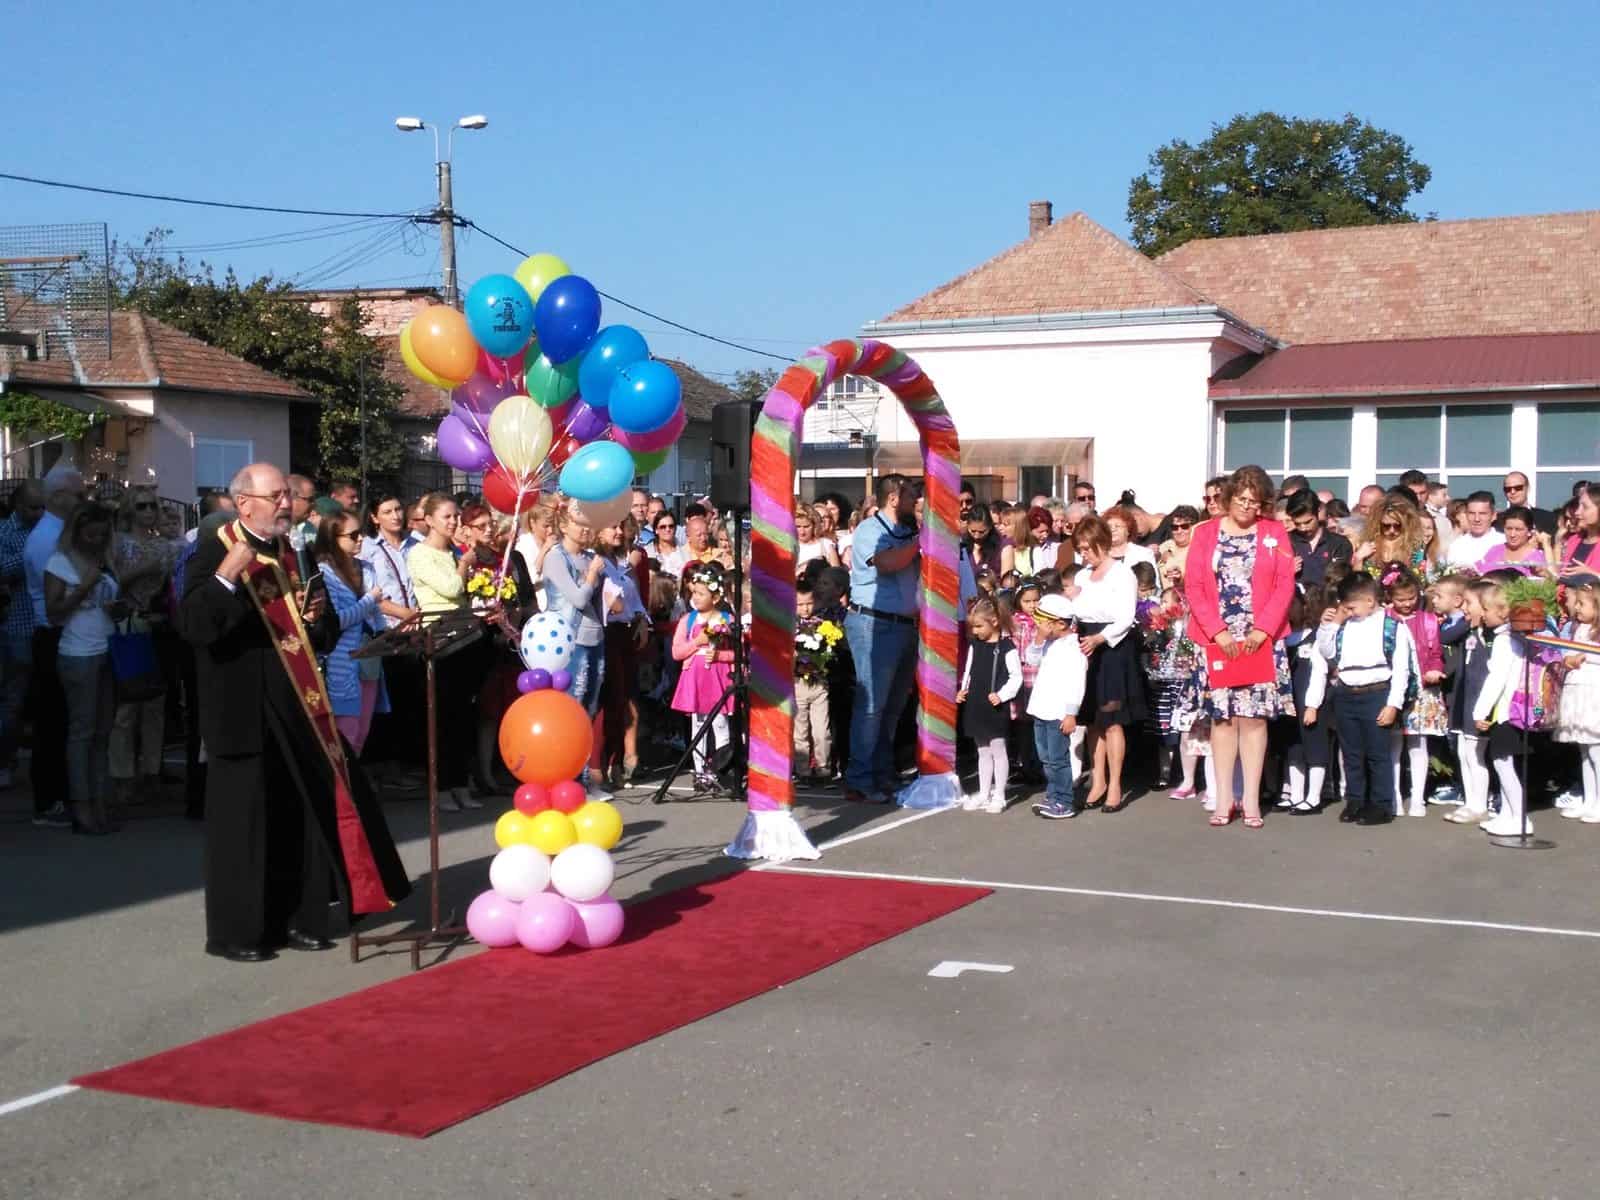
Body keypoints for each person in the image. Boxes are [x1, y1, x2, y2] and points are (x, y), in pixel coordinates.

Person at [181, 463, 409, 962]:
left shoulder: (293, 551)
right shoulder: (215, 549)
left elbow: (320, 635)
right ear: (245, 503)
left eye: (287, 494)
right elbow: (195, 625)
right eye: (276, 496)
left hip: (297, 704)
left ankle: (302, 919)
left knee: (300, 816)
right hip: (242, 707)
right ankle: (238, 933)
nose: (286, 503)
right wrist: (227, 576)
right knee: (246, 826)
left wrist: (316, 619)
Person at [1182, 466, 1297, 828]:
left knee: (1254, 719)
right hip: (1218, 638)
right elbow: (1194, 586)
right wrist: (1217, 631)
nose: (1247, 506)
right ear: (1229, 498)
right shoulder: (1205, 533)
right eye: (1242, 499)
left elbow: (1284, 584)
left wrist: (1264, 629)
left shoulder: (1274, 532)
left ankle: (1250, 800)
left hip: (1259, 638)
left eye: (1254, 501)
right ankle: (1222, 799)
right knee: (1223, 719)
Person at [45, 500, 123, 834]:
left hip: (107, 648)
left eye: (102, 533)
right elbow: (53, 613)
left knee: (103, 732)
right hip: (78, 654)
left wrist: (118, 608)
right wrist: (84, 588)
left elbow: (108, 605)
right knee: (82, 733)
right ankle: (82, 806)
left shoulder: (105, 560)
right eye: (91, 534)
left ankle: (99, 801)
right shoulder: (60, 562)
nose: (97, 539)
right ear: (76, 532)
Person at [843, 474, 921, 804]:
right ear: (893, 498)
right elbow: (887, 563)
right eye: (911, 497)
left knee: (892, 707)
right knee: (872, 705)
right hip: (873, 624)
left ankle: (882, 772)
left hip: (905, 626)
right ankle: (859, 779)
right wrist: (922, 542)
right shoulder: (869, 530)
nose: (915, 502)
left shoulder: (908, 532)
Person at [407, 492, 486, 812]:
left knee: (464, 716)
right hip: (439, 640)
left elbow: (467, 591)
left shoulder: (454, 551)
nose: (453, 522)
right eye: (447, 517)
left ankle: (460, 784)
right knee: (443, 718)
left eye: (455, 516)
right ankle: (440, 788)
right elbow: (451, 588)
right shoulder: (420, 554)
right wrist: (465, 563)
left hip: (465, 636)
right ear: (429, 520)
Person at [1317, 573, 1415, 826]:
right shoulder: (1344, 625)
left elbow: (1402, 669)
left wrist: (1393, 704)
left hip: (1376, 692)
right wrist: (1331, 625)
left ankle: (1381, 805)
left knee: (1377, 753)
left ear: (1370, 601)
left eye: (1351, 607)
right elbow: (1327, 651)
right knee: (1351, 752)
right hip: (1346, 692)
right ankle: (1355, 800)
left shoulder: (1393, 627)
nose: (1348, 612)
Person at [316, 510, 412, 756]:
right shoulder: (325, 573)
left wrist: (384, 632)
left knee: (361, 731)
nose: (360, 539)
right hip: (341, 663)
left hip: (368, 657)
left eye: (361, 533)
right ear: (333, 539)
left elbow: (374, 613)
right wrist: (370, 599)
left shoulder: (365, 567)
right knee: (345, 732)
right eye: (353, 535)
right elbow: (338, 620)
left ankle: (355, 776)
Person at [109, 486, 180, 806]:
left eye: (153, 505)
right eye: (142, 506)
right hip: (129, 624)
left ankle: (152, 771)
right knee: (126, 708)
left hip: (158, 626)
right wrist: (145, 569)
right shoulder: (118, 542)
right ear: (129, 510)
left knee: (155, 704)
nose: (149, 511)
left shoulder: (165, 545)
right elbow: (111, 584)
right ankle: (122, 775)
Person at [1067, 514, 1143, 813]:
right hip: (1085, 645)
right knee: (1092, 720)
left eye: (1088, 548)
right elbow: (1076, 611)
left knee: (1111, 720)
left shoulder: (1122, 574)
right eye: (1080, 549)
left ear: (1102, 542)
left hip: (1112, 647)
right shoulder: (1082, 576)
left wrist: (1101, 638)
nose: (1084, 554)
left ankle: (1115, 784)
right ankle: (1097, 780)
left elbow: (1125, 617)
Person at [24, 462, 86, 827]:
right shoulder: (48, 538)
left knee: (62, 720)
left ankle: (60, 793)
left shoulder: (57, 532)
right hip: (53, 633)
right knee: (52, 722)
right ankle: (49, 800)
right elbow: (60, 592)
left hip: (60, 632)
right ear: (60, 497)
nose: (83, 501)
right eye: (79, 495)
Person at [541, 503, 611, 798]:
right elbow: (578, 598)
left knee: (589, 709)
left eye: (587, 524)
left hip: (595, 636)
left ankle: (583, 778)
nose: (585, 529)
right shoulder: (556, 558)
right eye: (578, 523)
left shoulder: (591, 557)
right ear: (563, 525)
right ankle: (568, 779)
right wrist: (592, 575)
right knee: (573, 707)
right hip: (570, 638)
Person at [1386, 567, 1446, 817]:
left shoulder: (1428, 620)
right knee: (1393, 745)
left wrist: (1434, 669)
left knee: (1418, 743)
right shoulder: (1385, 619)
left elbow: (1435, 653)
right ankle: (1394, 796)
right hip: (1393, 690)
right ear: (1390, 597)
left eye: (1411, 598)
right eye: (1400, 599)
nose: (1407, 603)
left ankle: (1418, 798)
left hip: (1421, 690)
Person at [594, 518, 650, 788]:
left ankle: (616, 763)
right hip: (608, 634)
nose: (619, 531)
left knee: (624, 699)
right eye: (612, 527)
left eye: (620, 527)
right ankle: (599, 764)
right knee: (609, 701)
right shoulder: (597, 562)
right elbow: (613, 605)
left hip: (627, 634)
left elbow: (633, 600)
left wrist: (641, 620)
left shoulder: (621, 563)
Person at [671, 562, 737, 791]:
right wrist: (696, 643)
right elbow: (677, 652)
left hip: (718, 678)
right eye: (694, 593)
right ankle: (699, 772)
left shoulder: (727, 621)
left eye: (701, 594)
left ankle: (721, 770)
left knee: (720, 724)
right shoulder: (687, 620)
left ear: (715, 597)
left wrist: (720, 655)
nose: (696, 598)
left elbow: (739, 653)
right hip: (696, 679)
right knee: (698, 724)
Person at [956, 597, 1021, 813]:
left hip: (995, 705)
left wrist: (1002, 695)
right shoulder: (975, 645)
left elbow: (1016, 677)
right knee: (982, 750)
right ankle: (984, 793)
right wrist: (963, 689)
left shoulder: (1007, 647)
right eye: (973, 627)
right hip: (975, 701)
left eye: (978, 626)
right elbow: (968, 670)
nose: (975, 631)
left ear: (994, 621)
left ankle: (999, 795)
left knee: (998, 749)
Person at [0, 480, 44, 791]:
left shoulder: (49, 530)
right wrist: (32, 551)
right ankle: (5, 760)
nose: (39, 513)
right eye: (32, 507)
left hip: (48, 623)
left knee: (44, 699)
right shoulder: (6, 532)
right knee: (13, 699)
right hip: (18, 624)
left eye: (42, 507)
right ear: (17, 506)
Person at [1442, 580, 1498, 825]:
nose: (1464, 608)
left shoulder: (1492, 636)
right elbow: (1445, 636)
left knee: (1476, 755)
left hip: (1480, 703)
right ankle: (1470, 801)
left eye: (1469, 603)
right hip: (1463, 700)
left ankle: (1480, 804)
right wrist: (1468, 623)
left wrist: (1486, 710)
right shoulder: (1468, 631)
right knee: (1464, 753)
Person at [1027, 593, 1087, 820]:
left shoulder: (1073, 650)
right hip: (1041, 710)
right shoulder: (1050, 644)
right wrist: (1039, 639)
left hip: (1058, 714)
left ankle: (1064, 801)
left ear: (1060, 624)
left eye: (1044, 622)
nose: (1040, 626)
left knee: (1058, 760)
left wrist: (1071, 714)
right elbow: (1032, 659)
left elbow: (1076, 685)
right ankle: (1053, 796)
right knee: (1046, 758)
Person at [1279, 586, 1330, 814]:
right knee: (1294, 747)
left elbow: (1319, 673)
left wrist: (1312, 705)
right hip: (1289, 702)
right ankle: (1296, 795)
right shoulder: (1283, 639)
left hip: (1309, 701)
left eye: (1293, 604)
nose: (1289, 609)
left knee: (1314, 746)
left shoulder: (1315, 635)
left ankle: (1314, 797)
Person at [1554, 583, 1600, 821]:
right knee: (1584, 751)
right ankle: (1589, 799)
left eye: (1583, 603)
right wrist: (1568, 659)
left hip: (1593, 693)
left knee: (1596, 751)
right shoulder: (1578, 628)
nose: (1577, 607)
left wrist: (1583, 656)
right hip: (1577, 691)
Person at [792, 577, 834, 784]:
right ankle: (803, 770)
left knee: (821, 731)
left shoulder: (822, 625)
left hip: (818, 683)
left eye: (809, 603)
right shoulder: (791, 627)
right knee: (800, 730)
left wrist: (821, 660)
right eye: (800, 604)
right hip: (798, 684)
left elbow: (829, 650)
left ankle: (823, 768)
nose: (805, 608)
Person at [1353, 495, 1432, 578]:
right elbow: (1358, 582)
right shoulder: (1367, 546)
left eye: (1397, 526)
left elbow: (1419, 579)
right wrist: (1358, 559)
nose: (1392, 530)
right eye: (1386, 525)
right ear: (1378, 524)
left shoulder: (1415, 548)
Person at [1286, 490, 1352, 587]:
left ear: (1318, 511)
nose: (1303, 528)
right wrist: (1285, 571)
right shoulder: (1285, 542)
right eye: (1297, 524)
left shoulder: (1339, 544)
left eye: (1308, 522)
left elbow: (1344, 583)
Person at [1477, 505, 1550, 574]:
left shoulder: (1536, 557)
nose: (1512, 534)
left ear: (1529, 532)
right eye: (1509, 529)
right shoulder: (1495, 550)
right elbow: (1477, 571)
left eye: (1518, 529)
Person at [1444, 491, 1505, 569]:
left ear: (1493, 516)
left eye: (1482, 513)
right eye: (1472, 513)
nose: (1477, 519)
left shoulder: (1504, 542)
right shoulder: (1456, 545)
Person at [1557, 484, 1600, 583]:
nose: (1577, 512)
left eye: (1585, 507)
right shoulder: (1574, 540)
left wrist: (1593, 575)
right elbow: (1564, 578)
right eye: (1579, 506)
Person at [1497, 472, 1557, 537]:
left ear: (1528, 488)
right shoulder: (1497, 521)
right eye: (1508, 489)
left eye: (1518, 488)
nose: (1512, 492)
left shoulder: (1548, 518)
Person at [1006, 506, 1059, 577]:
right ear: (1030, 530)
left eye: (1047, 531)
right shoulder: (1022, 550)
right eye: (1041, 532)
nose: (1045, 535)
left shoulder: (1057, 548)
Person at [285, 474, 318, 577]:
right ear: (291, 498)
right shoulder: (274, 538)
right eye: (310, 499)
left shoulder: (302, 536)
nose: (314, 504)